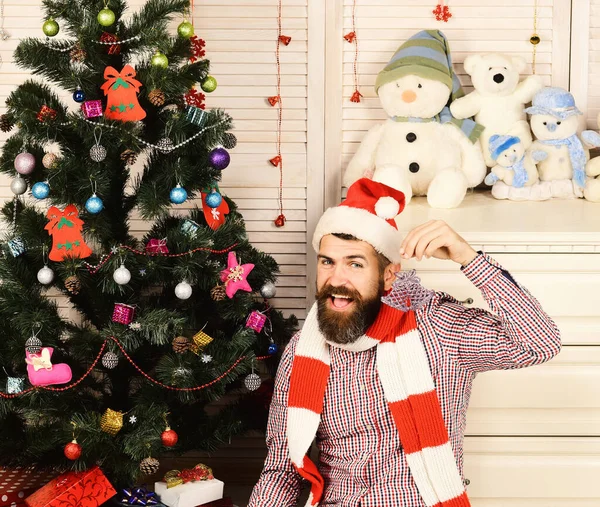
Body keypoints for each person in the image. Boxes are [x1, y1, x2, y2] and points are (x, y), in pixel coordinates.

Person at [248, 178, 561, 507]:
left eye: (355, 264)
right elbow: (280, 472)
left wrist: (469, 259)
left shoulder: (439, 327)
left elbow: (539, 343)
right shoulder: (304, 349)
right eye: (328, 262)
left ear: (389, 275)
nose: (336, 279)